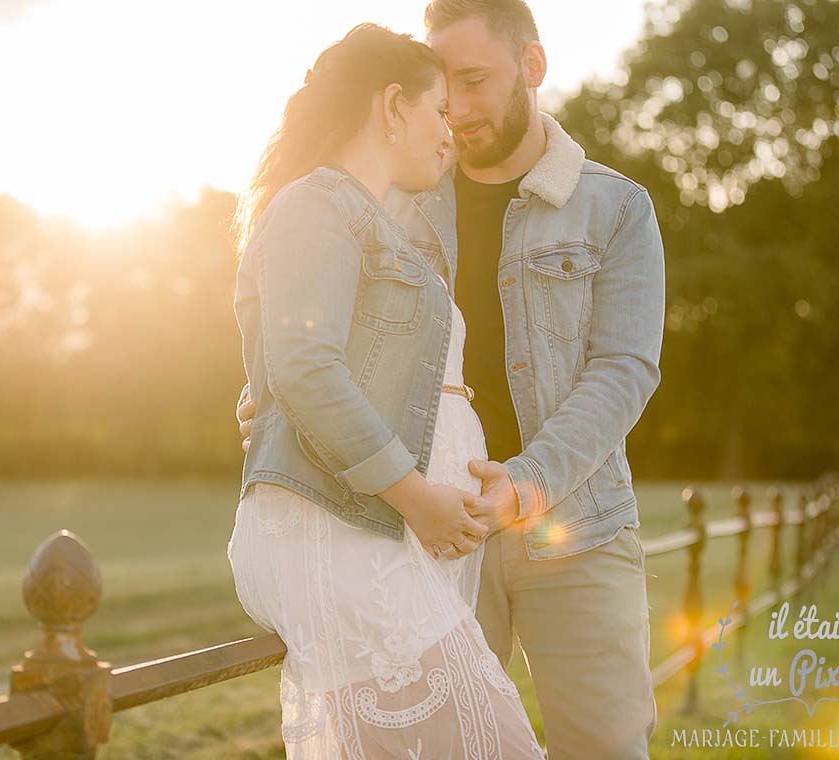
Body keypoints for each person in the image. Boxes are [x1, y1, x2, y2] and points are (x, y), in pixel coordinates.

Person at [237, 2, 667, 758]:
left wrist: (525, 483)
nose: (458, 111)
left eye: (473, 81)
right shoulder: (385, 198)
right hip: (419, 532)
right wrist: (272, 401)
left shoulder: (616, 206)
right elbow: (308, 335)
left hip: (574, 526)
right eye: (442, 90)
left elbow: (624, 371)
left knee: (605, 746)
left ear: (531, 68)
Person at [226, 22, 546, 759]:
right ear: (392, 106)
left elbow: (315, 366)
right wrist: (419, 499)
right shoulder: (317, 205)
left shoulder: (369, 219)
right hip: (343, 531)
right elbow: (304, 367)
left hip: (388, 533)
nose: (451, 132)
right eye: (438, 110)